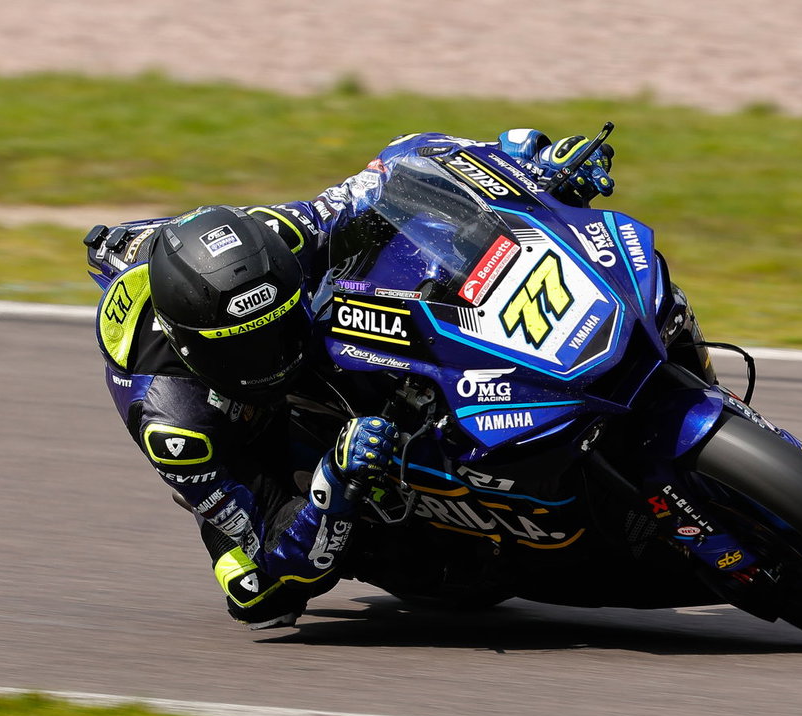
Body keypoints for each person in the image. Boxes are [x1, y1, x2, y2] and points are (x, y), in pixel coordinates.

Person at [84, 129, 616, 629]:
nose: (275, 356)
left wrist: (526, 168)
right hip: (249, 445)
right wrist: (332, 484)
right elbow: (271, 544)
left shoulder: (282, 235)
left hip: (247, 291)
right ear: (194, 346)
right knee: (261, 592)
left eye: (278, 328)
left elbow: (390, 174)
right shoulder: (179, 426)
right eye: (249, 349)